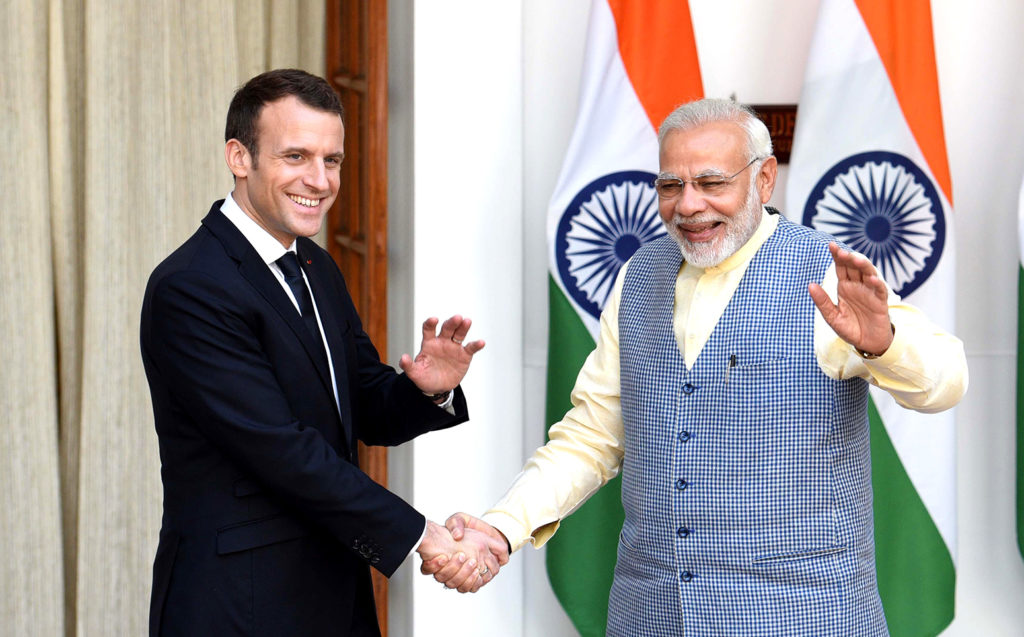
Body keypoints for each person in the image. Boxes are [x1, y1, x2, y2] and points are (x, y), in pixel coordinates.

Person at [424, 98, 967, 635]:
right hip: (650, 614)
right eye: (670, 185)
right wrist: (501, 529)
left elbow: (946, 383)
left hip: (802, 617)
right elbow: (591, 436)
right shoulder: (638, 276)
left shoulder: (825, 275)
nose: (687, 206)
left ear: (764, 180)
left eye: (711, 183)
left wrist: (886, 343)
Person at [140, 69, 505, 637]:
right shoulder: (191, 286)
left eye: (331, 160)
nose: (319, 179)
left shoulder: (315, 265)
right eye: (295, 156)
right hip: (239, 607)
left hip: (334, 597)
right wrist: (423, 535)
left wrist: (426, 387)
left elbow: (361, 404)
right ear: (240, 157)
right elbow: (282, 449)